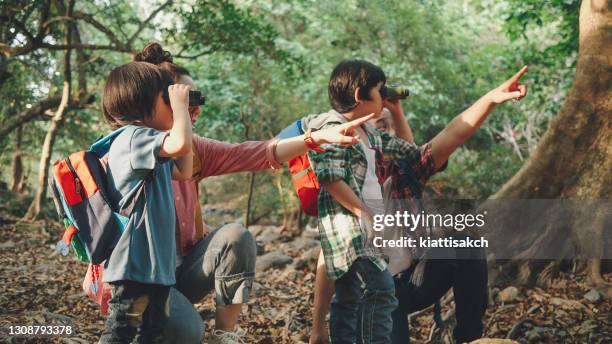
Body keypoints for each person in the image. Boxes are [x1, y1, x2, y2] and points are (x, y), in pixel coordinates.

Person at [132, 42, 379, 344]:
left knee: (236, 236)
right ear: (160, 100)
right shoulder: (133, 148)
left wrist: (316, 137)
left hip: (181, 272)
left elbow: (259, 152)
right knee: (187, 333)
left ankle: (224, 335)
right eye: (188, 98)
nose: (196, 108)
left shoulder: (196, 151)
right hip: (141, 281)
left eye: (197, 98)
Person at [305, 59, 528, 344]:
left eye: (387, 127)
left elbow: (450, 135)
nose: (383, 132)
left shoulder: (404, 176)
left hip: (412, 281)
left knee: (466, 246)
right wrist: (317, 326)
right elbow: (329, 256)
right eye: (377, 126)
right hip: (371, 292)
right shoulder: (347, 182)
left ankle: (469, 338)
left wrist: (491, 99)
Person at [99, 61, 194, 343]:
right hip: (134, 263)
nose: (173, 104)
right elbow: (180, 145)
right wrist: (180, 110)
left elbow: (185, 170)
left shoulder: (151, 147)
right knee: (120, 331)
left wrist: (182, 112)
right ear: (143, 104)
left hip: (155, 267)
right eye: (167, 98)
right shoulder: (133, 137)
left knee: (152, 333)